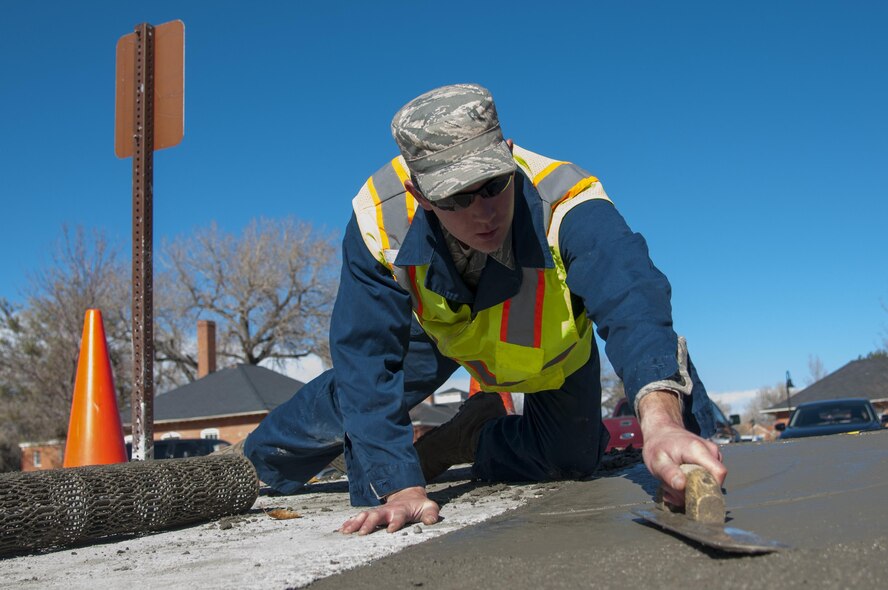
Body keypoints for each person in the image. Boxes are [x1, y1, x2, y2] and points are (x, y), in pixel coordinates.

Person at [244, 83, 727, 535]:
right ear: (420, 196)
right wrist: (399, 484)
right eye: (457, 196)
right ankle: (250, 467)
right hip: (440, 334)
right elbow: (365, 359)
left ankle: (470, 437)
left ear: (509, 155)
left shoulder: (566, 199)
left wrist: (661, 423)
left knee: (571, 462)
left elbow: (632, 300)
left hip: (551, 355)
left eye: (494, 184)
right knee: (349, 395)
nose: (484, 211)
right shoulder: (379, 219)